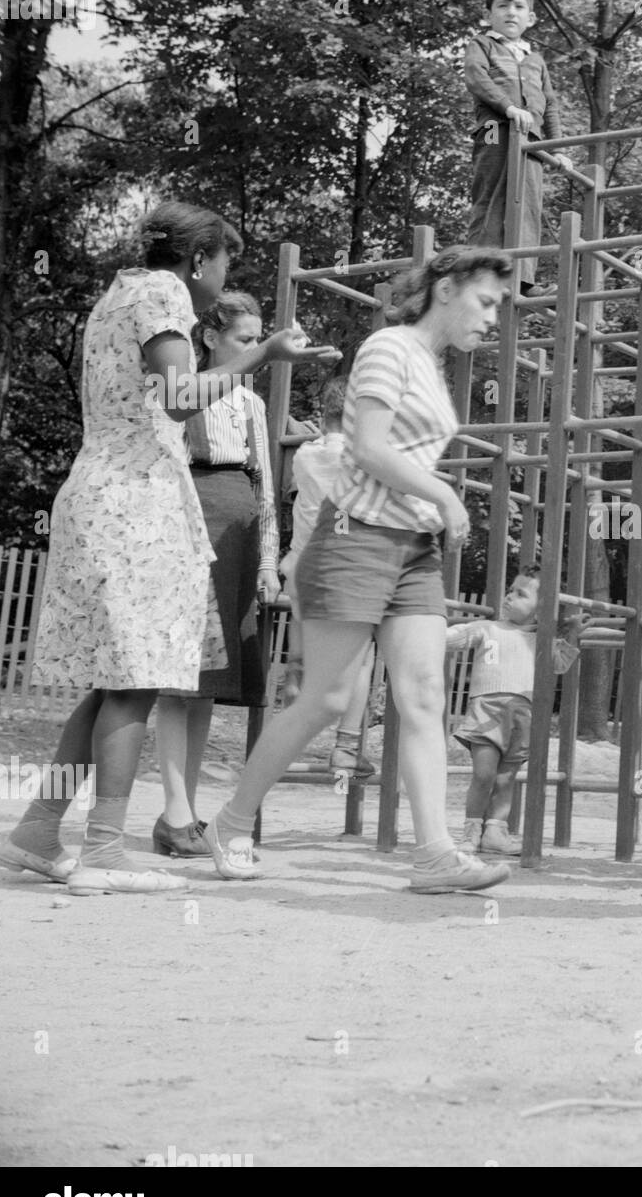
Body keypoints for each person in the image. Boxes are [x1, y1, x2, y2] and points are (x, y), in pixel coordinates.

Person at [0, 202, 337, 895]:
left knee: (119, 677)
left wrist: (254, 356)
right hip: (134, 502)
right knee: (138, 678)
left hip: (111, 493)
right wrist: (264, 355)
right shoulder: (163, 292)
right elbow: (180, 396)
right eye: (225, 264)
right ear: (200, 259)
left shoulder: (119, 293)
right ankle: (104, 852)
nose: (221, 279)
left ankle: (39, 827)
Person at [204, 246, 515, 894]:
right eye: (486, 301)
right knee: (328, 699)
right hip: (353, 540)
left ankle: (433, 854)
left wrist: (433, 507)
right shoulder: (390, 349)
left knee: (425, 696)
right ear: (449, 288)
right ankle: (231, 822)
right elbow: (368, 447)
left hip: (414, 551)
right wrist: (446, 494)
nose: (493, 318)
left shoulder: (432, 366)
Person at [152, 292, 280, 857]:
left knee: (209, 682)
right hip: (193, 527)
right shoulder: (184, 395)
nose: (254, 350)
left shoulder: (250, 404)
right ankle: (174, 811)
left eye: (258, 340)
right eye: (244, 341)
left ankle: (187, 814)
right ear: (210, 339)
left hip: (240, 533)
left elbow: (267, 485)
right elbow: (165, 473)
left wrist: (269, 561)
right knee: (180, 681)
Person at [446, 566, 585, 856]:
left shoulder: (543, 640)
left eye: (520, 594)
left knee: (506, 778)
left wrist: (572, 634)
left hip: (522, 714)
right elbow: (455, 638)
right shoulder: (489, 628)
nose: (509, 597)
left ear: (541, 607)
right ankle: (472, 831)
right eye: (510, 590)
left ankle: (495, 831)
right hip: (487, 712)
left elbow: (561, 665)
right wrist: (428, 630)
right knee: (483, 774)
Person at [278, 376, 375, 774]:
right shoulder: (364, 456)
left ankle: (284, 741)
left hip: (300, 569)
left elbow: (310, 437)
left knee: (299, 659)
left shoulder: (303, 455)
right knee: (361, 657)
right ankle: (346, 747)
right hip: (344, 569)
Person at [464, 0, 572, 290]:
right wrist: (507, 107)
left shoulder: (536, 59)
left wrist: (560, 149)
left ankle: (522, 280)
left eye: (518, 6)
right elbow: (476, 77)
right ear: (488, 14)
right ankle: (478, 270)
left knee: (527, 205)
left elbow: (549, 104)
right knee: (493, 197)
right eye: (502, 5)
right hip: (495, 131)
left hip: (532, 143)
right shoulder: (482, 44)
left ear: (531, 17)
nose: (511, 12)